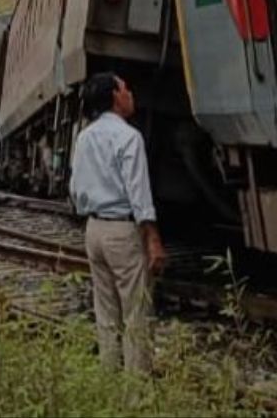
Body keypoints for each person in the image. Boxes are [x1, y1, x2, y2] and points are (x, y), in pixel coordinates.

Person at [68, 73, 166, 374]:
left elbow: (74, 188)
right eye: (125, 88)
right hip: (122, 229)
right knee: (136, 311)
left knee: (106, 312)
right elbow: (139, 192)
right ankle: (136, 390)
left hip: (93, 229)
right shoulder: (128, 137)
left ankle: (108, 378)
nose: (130, 93)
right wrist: (152, 238)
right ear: (114, 96)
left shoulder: (84, 136)